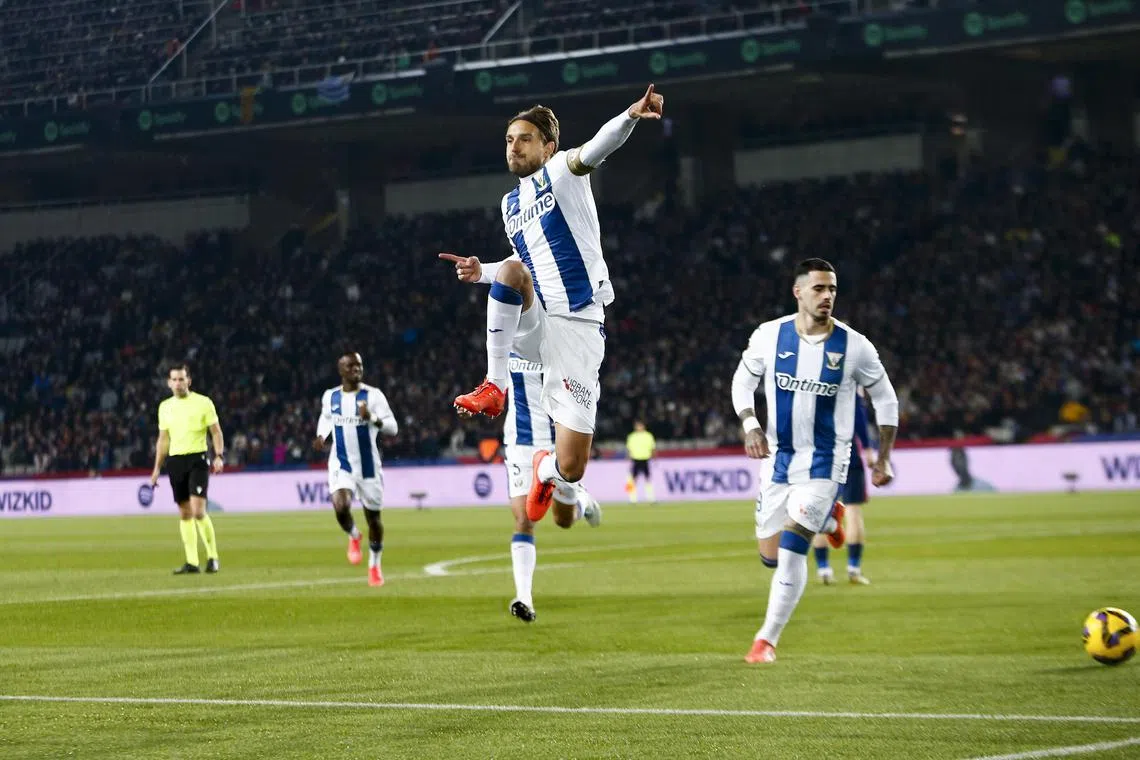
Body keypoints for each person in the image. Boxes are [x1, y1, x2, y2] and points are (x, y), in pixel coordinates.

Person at [439, 84, 665, 527]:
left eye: (524, 138)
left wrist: (631, 115)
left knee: (573, 465)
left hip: (579, 326)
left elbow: (596, 148)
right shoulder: (509, 205)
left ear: (548, 147)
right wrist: (480, 270)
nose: (514, 146)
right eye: (508, 139)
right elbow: (526, 262)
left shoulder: (563, 172)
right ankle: (495, 385)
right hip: (540, 316)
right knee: (509, 273)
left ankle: (546, 471)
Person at [730, 258, 899, 664]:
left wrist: (884, 458)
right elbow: (742, 380)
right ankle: (829, 519)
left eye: (833, 290)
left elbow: (886, 399)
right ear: (799, 292)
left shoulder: (855, 346)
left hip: (827, 462)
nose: (827, 296)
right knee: (769, 556)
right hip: (778, 459)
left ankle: (765, 640)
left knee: (791, 549)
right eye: (820, 288)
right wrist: (750, 424)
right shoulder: (770, 336)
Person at [492, 351, 601, 623]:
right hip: (521, 440)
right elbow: (495, 384)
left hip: (559, 441)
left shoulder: (561, 334)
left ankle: (582, 502)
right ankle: (524, 598)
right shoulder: (508, 336)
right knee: (524, 518)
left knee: (563, 521)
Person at [314, 351, 398, 587]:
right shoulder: (330, 396)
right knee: (340, 505)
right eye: (351, 366)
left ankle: (374, 564)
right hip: (341, 463)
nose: (356, 369)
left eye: (359, 365)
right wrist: (321, 436)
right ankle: (353, 535)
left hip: (369, 467)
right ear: (341, 370)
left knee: (374, 519)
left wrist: (372, 418)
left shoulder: (373, 396)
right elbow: (326, 418)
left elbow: (393, 428)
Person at [149, 363, 224, 575]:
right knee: (184, 513)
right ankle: (192, 562)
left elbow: (216, 432)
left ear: (188, 381)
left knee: (198, 510)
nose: (178, 383)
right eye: (175, 379)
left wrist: (218, 455)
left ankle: (212, 557)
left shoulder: (203, 403)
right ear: (168, 383)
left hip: (197, 459)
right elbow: (163, 440)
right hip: (175, 461)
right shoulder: (165, 407)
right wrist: (156, 469)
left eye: (182, 379)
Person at [813, 391, 871, 585]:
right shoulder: (849, 381)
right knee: (853, 511)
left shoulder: (812, 381)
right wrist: (868, 448)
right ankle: (854, 569)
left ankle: (824, 570)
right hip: (848, 453)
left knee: (819, 512)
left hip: (819, 453)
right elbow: (859, 418)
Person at [625, 420, 656, 504]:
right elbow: (629, 449)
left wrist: (654, 458)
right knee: (633, 480)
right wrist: (628, 459)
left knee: (648, 479)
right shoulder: (632, 436)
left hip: (645, 459)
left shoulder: (648, 436)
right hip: (635, 459)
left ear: (643, 426)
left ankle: (651, 498)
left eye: (640, 425)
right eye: (637, 426)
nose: (639, 427)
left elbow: (653, 448)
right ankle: (632, 499)